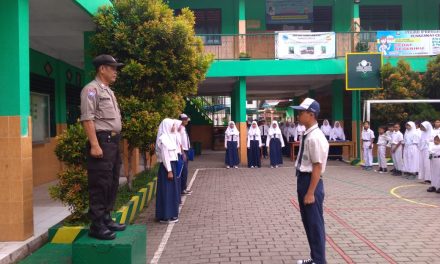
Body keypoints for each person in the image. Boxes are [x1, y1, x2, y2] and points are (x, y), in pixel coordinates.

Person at [80, 54, 125, 240]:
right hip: (102, 142)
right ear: (102, 69)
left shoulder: (108, 90)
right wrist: (94, 145)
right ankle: (96, 225)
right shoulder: (91, 90)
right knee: (100, 183)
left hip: (113, 142)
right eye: (113, 68)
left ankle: (106, 217)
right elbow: (87, 118)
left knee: (112, 181)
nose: (116, 72)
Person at [292, 98, 329, 264]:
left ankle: (319, 261)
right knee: (309, 222)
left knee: (314, 224)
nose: (298, 114)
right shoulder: (308, 133)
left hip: (310, 182)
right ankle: (316, 258)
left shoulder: (315, 137)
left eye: (301, 112)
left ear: (311, 114)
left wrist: (310, 192)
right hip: (304, 180)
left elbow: (317, 167)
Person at [155, 118, 179, 224]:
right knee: (167, 191)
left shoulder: (170, 137)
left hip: (171, 166)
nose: (174, 127)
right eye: (173, 125)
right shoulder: (163, 139)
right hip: (167, 168)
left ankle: (170, 214)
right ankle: (165, 216)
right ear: (167, 126)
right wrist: (169, 170)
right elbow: (165, 157)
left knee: (171, 191)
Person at [178, 113, 192, 195]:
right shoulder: (179, 128)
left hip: (186, 150)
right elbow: (179, 141)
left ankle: (184, 188)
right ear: (181, 120)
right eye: (185, 119)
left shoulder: (183, 128)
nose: (187, 121)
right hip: (182, 151)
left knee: (185, 171)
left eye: (187, 119)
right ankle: (182, 189)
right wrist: (183, 152)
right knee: (184, 171)